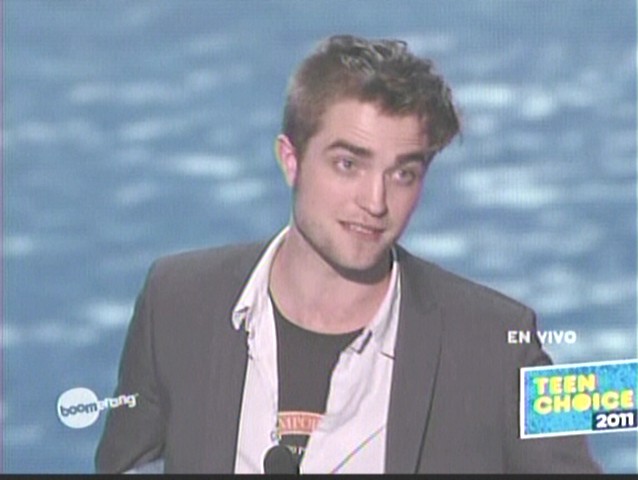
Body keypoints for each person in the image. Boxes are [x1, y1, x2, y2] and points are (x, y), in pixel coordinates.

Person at [95, 34, 601, 474]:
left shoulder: (500, 344)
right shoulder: (176, 301)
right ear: (290, 160)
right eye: (348, 164)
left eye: (403, 173)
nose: (375, 201)